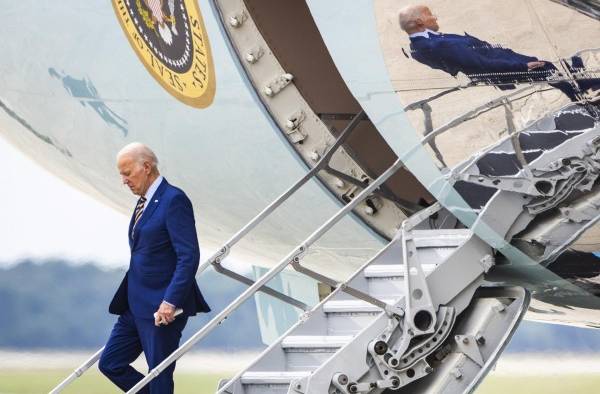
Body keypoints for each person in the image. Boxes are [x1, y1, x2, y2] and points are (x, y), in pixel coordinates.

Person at [98, 142, 210, 393]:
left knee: (159, 375)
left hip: (162, 309)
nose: (124, 181)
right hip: (135, 305)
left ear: (146, 167)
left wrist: (170, 302)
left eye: (127, 173)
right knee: (110, 363)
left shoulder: (173, 200)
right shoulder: (144, 203)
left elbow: (188, 255)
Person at [398, 5, 600, 102]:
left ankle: (579, 87)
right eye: (430, 14)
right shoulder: (434, 45)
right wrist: (520, 66)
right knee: (546, 68)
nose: (434, 17)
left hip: (500, 60)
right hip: (502, 66)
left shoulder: (424, 43)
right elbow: (479, 63)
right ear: (419, 22)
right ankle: (584, 89)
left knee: (552, 69)